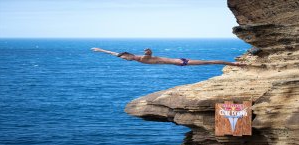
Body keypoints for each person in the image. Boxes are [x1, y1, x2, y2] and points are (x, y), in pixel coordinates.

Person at [91, 48, 246, 66]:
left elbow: (149, 55)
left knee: (209, 62)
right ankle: (233, 63)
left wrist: (149, 51)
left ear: (130, 55)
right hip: (178, 62)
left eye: (125, 58)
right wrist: (101, 50)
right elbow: (116, 54)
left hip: (181, 62)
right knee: (208, 63)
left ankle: (234, 64)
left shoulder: (141, 58)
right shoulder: (136, 57)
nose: (125, 60)